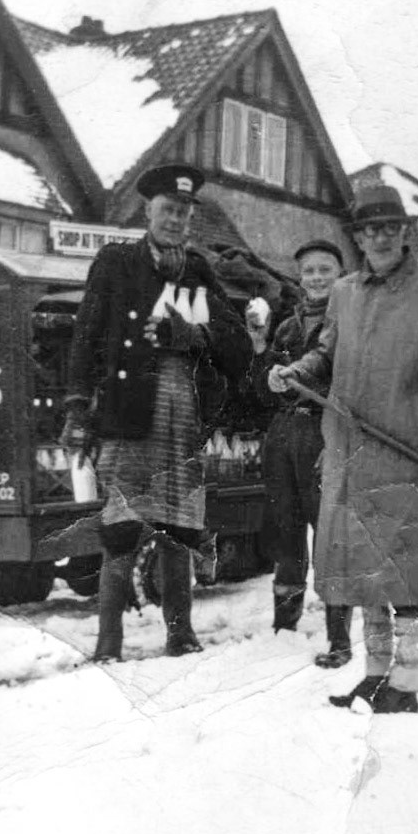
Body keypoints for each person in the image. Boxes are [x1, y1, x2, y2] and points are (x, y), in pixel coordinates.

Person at [269, 185, 418, 713]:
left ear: (405, 233)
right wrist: (295, 371)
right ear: (359, 238)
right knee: (364, 570)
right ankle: (373, 675)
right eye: (370, 231)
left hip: (412, 452)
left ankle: (406, 683)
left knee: (407, 572)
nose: (380, 239)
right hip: (352, 452)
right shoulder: (344, 293)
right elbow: (326, 352)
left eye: (390, 228)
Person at [61, 164, 251, 660]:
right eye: (167, 209)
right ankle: (108, 643)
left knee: (180, 529)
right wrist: (77, 407)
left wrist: (192, 334)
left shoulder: (197, 272)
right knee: (121, 528)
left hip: (183, 416)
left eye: (183, 212)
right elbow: (85, 338)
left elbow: (237, 345)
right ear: (148, 211)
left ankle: (180, 634)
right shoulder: (116, 263)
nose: (175, 219)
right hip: (128, 415)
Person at [245, 239, 354, 667]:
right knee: (285, 532)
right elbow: (263, 393)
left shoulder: (350, 322)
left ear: (341, 275)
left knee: (329, 534)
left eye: (325, 269)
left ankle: (339, 640)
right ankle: (284, 633)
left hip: (326, 433)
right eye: (309, 271)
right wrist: (260, 349)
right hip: (284, 435)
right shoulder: (288, 328)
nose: (316, 278)